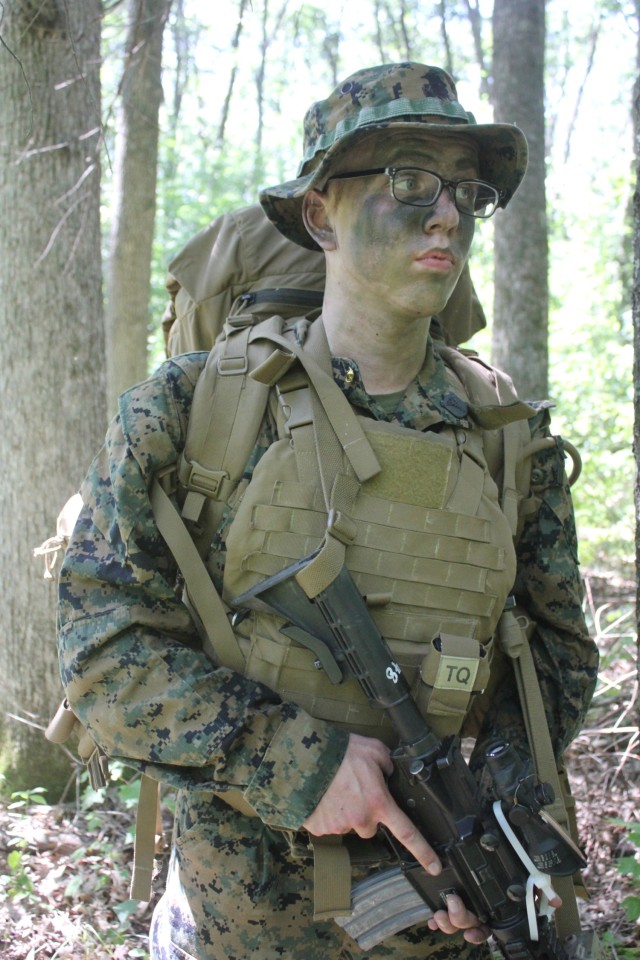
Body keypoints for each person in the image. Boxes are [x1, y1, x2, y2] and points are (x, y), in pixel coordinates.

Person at [57, 62, 599, 960]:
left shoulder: (509, 439)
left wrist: (492, 815)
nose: (446, 214)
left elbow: (556, 653)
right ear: (320, 215)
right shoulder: (193, 411)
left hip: (447, 919)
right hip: (246, 920)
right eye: (408, 181)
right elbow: (103, 645)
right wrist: (300, 765)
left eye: (466, 192)